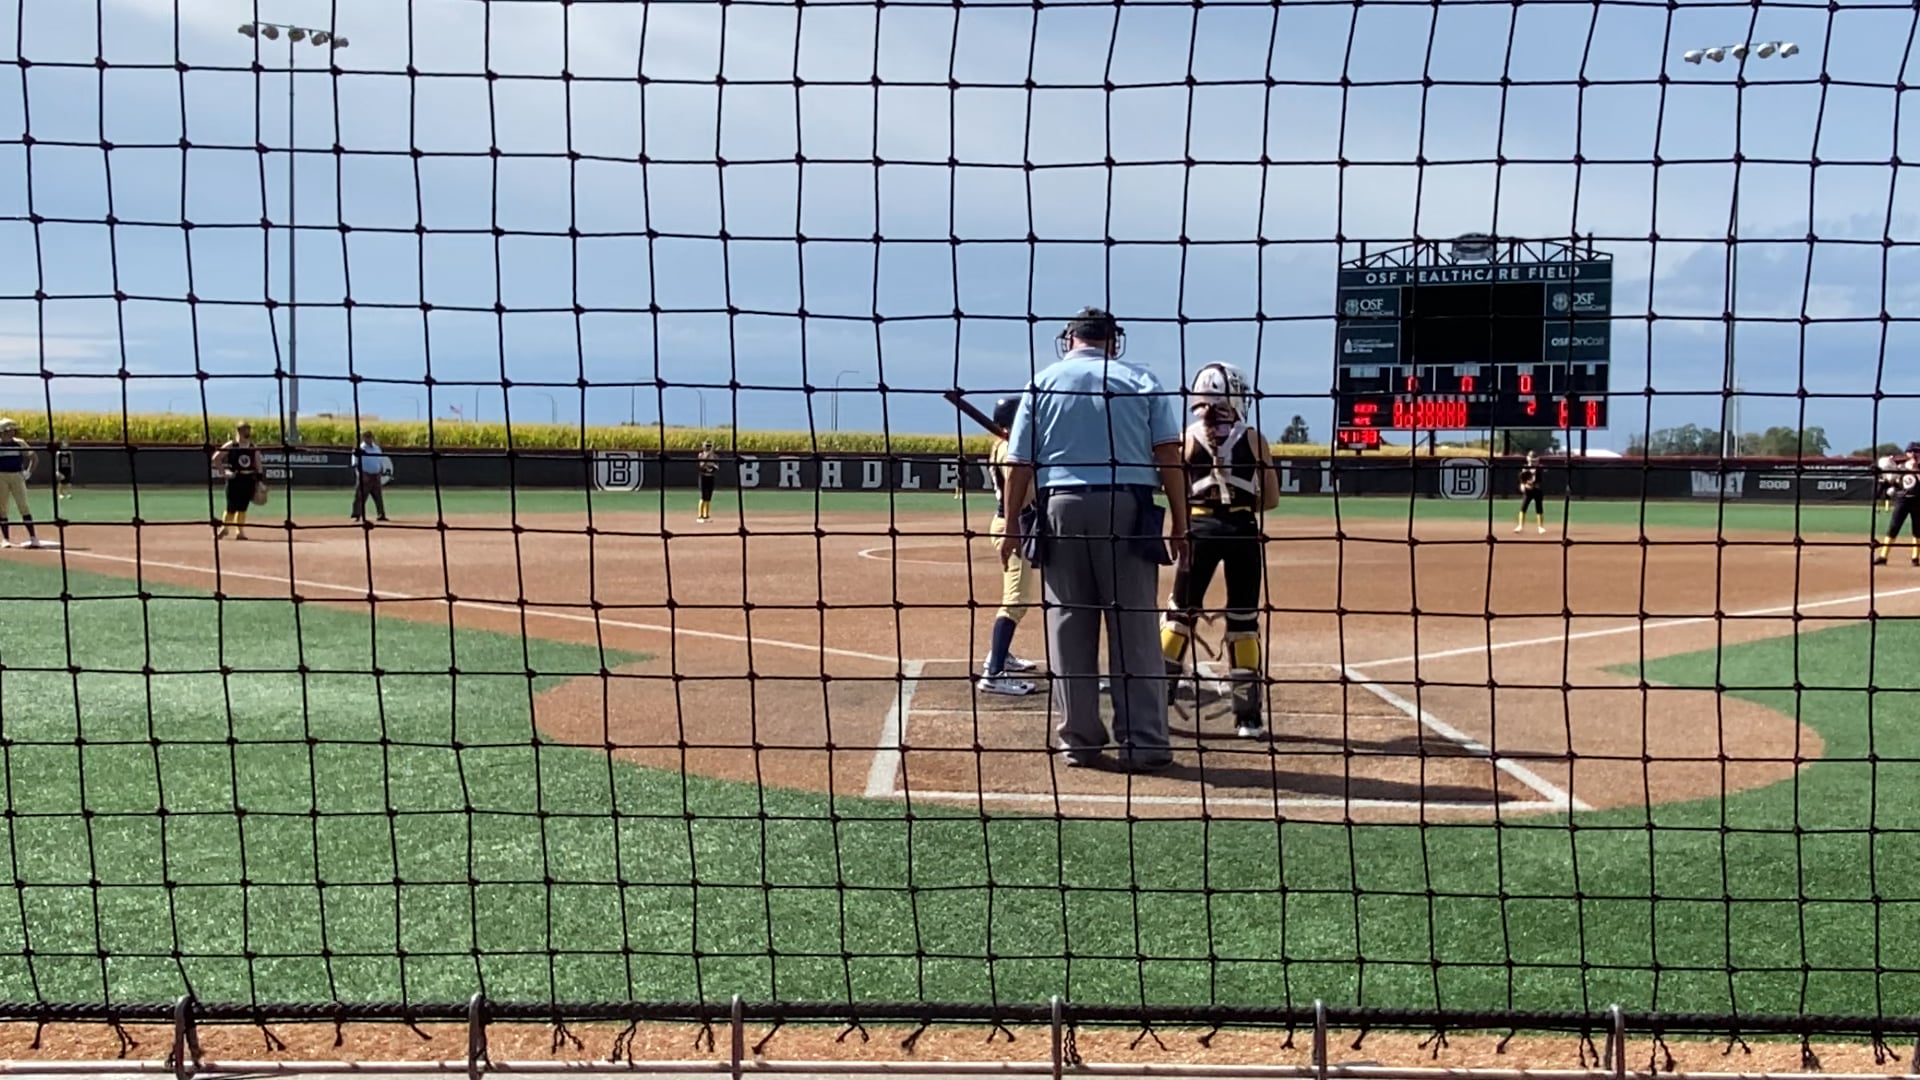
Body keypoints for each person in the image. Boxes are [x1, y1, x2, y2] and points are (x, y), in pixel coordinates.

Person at [998, 307, 1189, 772]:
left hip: (1060, 507)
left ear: (1070, 340)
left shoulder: (1041, 383)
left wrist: (1011, 523)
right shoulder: (1141, 380)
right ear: (1113, 340)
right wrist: (1181, 522)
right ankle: (1144, 743)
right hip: (1128, 508)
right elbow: (1168, 454)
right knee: (1135, 630)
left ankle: (1079, 742)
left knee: (1068, 628)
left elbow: (1019, 463)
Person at [1158, 363, 1279, 739]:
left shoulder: (1184, 438)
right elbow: (1271, 499)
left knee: (1179, 615)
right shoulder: (1255, 439)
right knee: (1244, 621)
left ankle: (1156, 702)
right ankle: (1248, 718)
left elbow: (1173, 490)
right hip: (1243, 532)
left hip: (1199, 531)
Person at [977, 396, 1041, 696]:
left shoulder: (1010, 446)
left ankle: (1001, 656)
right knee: (1015, 600)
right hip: (1013, 527)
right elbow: (1020, 485)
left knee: (1017, 597)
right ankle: (994, 673)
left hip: (1017, 525)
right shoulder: (1008, 450)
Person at [211, 422, 265, 541]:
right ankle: (225, 528)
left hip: (248, 480)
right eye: (245, 430)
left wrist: (260, 481)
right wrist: (223, 472)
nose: (247, 432)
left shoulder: (252, 446)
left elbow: (258, 464)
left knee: (243, 507)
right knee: (231, 506)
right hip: (235, 479)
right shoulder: (231, 445)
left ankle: (240, 531)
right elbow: (216, 458)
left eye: (248, 430)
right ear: (239, 431)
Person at [0, 419, 44, 549]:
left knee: (23, 506)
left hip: (17, 476)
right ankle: (5, 539)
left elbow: (33, 457)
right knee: (2, 508)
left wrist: (28, 472)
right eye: (10, 430)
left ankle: (33, 538)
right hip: (1, 477)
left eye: (14, 430)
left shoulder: (19, 443)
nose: (13, 432)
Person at [1874, 442, 1920, 567]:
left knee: (1918, 529)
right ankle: (1883, 556)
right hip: (1902, 500)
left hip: (1918, 501)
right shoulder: (1899, 468)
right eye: (1911, 451)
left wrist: (1916, 470)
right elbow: (1891, 481)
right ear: (1907, 453)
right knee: (1894, 527)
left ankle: (1915, 557)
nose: (1914, 454)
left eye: (1917, 451)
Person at [351, 431, 390, 524]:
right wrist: (361, 474)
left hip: (376, 476)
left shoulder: (376, 448)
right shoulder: (360, 448)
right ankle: (357, 515)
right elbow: (355, 463)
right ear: (363, 438)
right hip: (365, 475)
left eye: (370, 437)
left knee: (378, 497)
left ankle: (381, 515)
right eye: (367, 437)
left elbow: (379, 460)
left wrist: (380, 471)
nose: (369, 439)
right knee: (360, 496)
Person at [1515, 450, 1547, 534]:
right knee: (1523, 507)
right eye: (1532, 460)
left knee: (1539, 508)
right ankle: (1520, 526)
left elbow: (1540, 480)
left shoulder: (1539, 468)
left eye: (1534, 460)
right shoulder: (1525, 468)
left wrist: (1534, 485)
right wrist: (1523, 485)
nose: (1533, 462)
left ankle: (1540, 527)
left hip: (1537, 490)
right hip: (1528, 491)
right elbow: (1522, 479)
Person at [696, 441, 719, 522]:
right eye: (706, 446)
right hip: (703, 477)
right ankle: (700, 516)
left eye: (709, 446)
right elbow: (701, 465)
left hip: (710, 477)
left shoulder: (715, 456)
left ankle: (706, 515)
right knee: (703, 496)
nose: (708, 447)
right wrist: (709, 455)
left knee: (709, 497)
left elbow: (717, 466)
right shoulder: (701, 455)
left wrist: (713, 466)